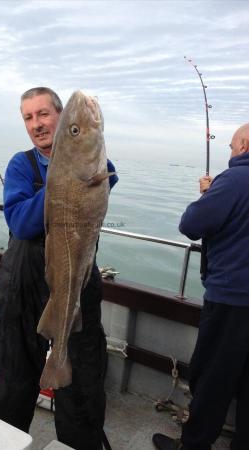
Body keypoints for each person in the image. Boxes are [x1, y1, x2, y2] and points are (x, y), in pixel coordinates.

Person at [0, 86, 118, 450]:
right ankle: (3, 440)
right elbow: (20, 223)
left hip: (77, 282)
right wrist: (63, 183)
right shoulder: (20, 165)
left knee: (83, 387)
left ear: (59, 119)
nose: (36, 124)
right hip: (23, 290)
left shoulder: (93, 166)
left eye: (43, 114)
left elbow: (108, 179)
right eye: (28, 117)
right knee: (11, 381)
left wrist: (75, 165)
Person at [152, 123, 249, 450]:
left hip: (232, 302)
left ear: (245, 144)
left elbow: (191, 225)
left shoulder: (234, 180)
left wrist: (209, 195)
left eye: (233, 145)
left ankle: (192, 447)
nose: (231, 151)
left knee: (212, 380)